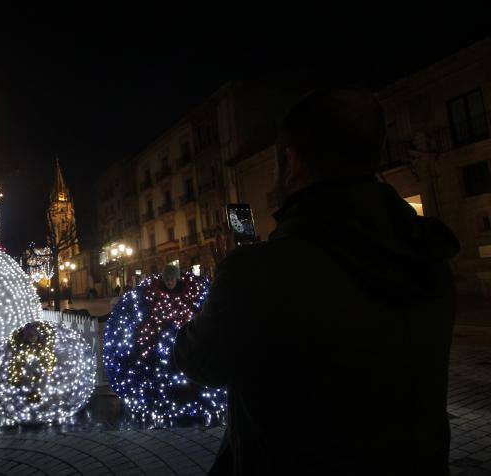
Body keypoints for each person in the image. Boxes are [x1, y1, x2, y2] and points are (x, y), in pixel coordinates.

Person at [172, 88, 459, 475]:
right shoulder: (430, 257)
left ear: (291, 162)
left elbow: (199, 362)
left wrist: (226, 286)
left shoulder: (256, 272)